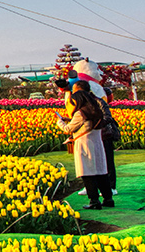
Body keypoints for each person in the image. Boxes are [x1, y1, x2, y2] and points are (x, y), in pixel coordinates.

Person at [55, 81, 111, 209]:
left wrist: (60, 122)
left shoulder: (80, 113)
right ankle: (108, 199)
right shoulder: (96, 109)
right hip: (97, 143)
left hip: (85, 144)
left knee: (88, 173)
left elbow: (69, 129)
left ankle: (94, 201)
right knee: (101, 172)